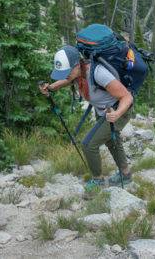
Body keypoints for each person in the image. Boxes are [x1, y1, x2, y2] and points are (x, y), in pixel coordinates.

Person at [40, 45, 133, 190]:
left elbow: (127, 97)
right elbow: (67, 80)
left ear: (77, 65)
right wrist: (51, 87)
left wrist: (117, 114)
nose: (66, 76)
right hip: (103, 110)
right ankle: (125, 174)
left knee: (88, 145)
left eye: (67, 72)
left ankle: (98, 180)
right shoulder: (77, 74)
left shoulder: (98, 73)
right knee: (110, 140)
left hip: (118, 109)